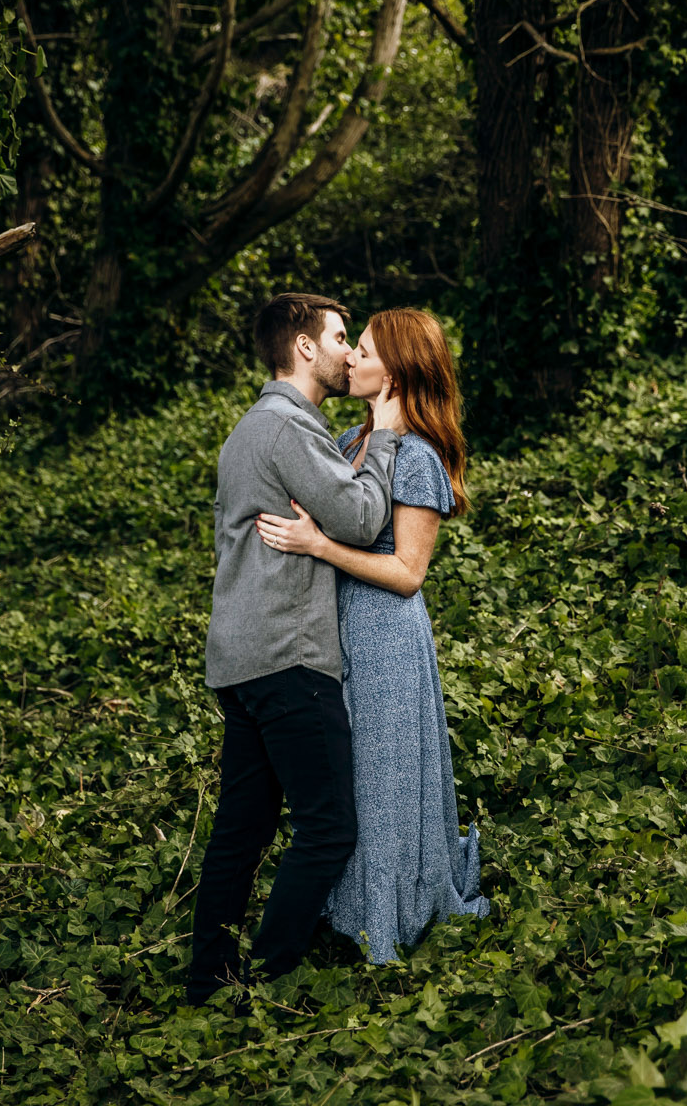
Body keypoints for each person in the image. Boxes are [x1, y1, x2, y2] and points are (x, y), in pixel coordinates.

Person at [186, 293, 407, 1005]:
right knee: (329, 827)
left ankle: (209, 980)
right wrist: (390, 434)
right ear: (305, 348)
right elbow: (365, 515)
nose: (350, 351)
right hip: (289, 657)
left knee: (241, 834)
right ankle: (269, 974)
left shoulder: (251, 430)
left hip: (240, 661)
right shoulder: (288, 430)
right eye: (341, 337)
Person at [255, 307, 490, 963]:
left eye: (362, 350)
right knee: (350, 780)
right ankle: (347, 904)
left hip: (385, 636)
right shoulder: (355, 438)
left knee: (382, 784)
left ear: (398, 369)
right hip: (339, 633)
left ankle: (384, 918)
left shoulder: (416, 453)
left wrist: (319, 546)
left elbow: (408, 572)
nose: (350, 360)